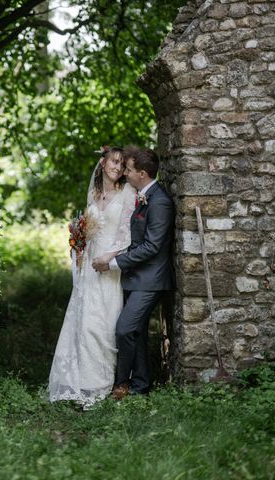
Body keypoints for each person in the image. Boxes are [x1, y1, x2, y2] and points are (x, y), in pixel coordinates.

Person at [48, 147, 136, 408]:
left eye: (121, 165)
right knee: (83, 321)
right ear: (103, 162)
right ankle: (79, 381)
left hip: (110, 266)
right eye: (114, 162)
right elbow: (88, 230)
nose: (118, 168)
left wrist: (108, 259)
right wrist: (78, 244)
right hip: (89, 266)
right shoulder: (94, 193)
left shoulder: (128, 193)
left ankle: (100, 383)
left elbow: (127, 234)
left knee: (103, 324)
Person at [92, 147, 174, 399]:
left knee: (125, 329)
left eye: (128, 169)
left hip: (150, 280)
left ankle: (121, 383)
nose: (124, 173)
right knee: (135, 333)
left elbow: (151, 247)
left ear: (142, 173)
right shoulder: (141, 194)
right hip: (134, 277)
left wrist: (114, 263)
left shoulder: (159, 201)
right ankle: (141, 386)